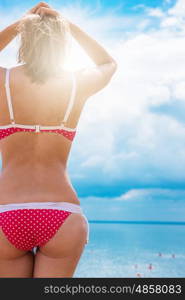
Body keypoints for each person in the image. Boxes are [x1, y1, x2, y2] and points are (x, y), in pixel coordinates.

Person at [0, 2, 117, 278]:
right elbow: (108, 63)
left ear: (25, 40)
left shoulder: (4, 82)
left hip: (7, 213)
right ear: (62, 44)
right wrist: (67, 25)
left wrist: (22, 23)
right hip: (62, 214)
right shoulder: (76, 84)